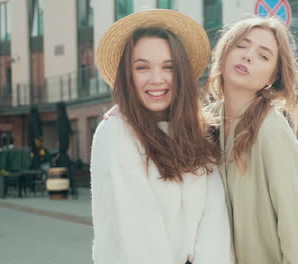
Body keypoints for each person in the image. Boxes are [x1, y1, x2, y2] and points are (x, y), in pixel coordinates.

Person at [91, 9, 230, 264]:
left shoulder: (199, 134)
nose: (157, 79)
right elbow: (136, 235)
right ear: (127, 75)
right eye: (142, 67)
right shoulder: (115, 133)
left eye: (169, 67)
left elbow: (215, 222)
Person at [206, 16, 298, 264]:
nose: (248, 56)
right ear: (225, 52)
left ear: (272, 78)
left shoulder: (271, 130)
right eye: (241, 46)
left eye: (263, 56)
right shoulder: (208, 122)